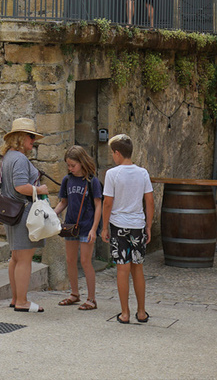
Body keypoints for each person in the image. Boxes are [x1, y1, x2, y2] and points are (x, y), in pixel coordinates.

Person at [98, 133, 154, 324]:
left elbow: (108, 203)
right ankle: (141, 312)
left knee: (122, 269)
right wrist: (149, 225)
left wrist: (104, 227)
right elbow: (150, 201)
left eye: (112, 153)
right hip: (137, 225)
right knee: (138, 268)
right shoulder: (143, 173)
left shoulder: (112, 174)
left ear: (117, 153)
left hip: (119, 225)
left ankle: (125, 313)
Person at [0, 117, 50, 313]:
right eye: (31, 137)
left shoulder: (9, 156)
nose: (33, 141)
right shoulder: (19, 159)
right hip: (23, 213)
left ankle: (16, 298)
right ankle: (22, 301)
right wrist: (41, 188)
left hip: (12, 212)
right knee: (25, 258)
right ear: (20, 137)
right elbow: (21, 186)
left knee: (16, 257)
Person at [53, 145, 102, 310]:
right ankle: (74, 294)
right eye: (68, 165)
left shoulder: (92, 182)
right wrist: (52, 214)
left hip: (87, 226)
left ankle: (91, 298)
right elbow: (63, 202)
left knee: (85, 261)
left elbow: (98, 206)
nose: (70, 168)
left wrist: (95, 229)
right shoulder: (67, 180)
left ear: (82, 162)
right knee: (70, 260)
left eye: (73, 165)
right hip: (70, 226)